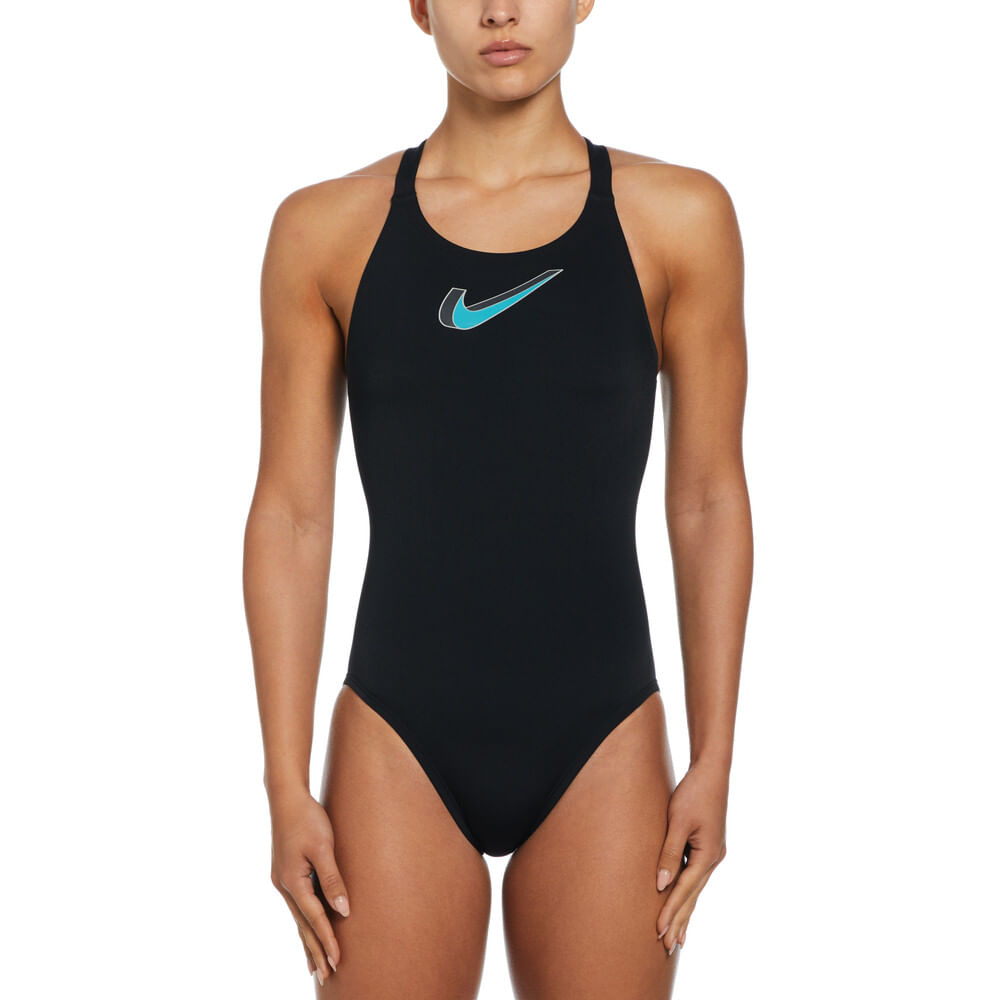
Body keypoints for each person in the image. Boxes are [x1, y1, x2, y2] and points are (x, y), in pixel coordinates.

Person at [243, 1, 751, 996]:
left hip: (603, 735)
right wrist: (284, 784)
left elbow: (707, 497)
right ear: (419, 6)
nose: (501, 9)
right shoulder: (326, 228)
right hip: (396, 736)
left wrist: (714, 757)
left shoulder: (678, 217)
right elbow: (292, 514)